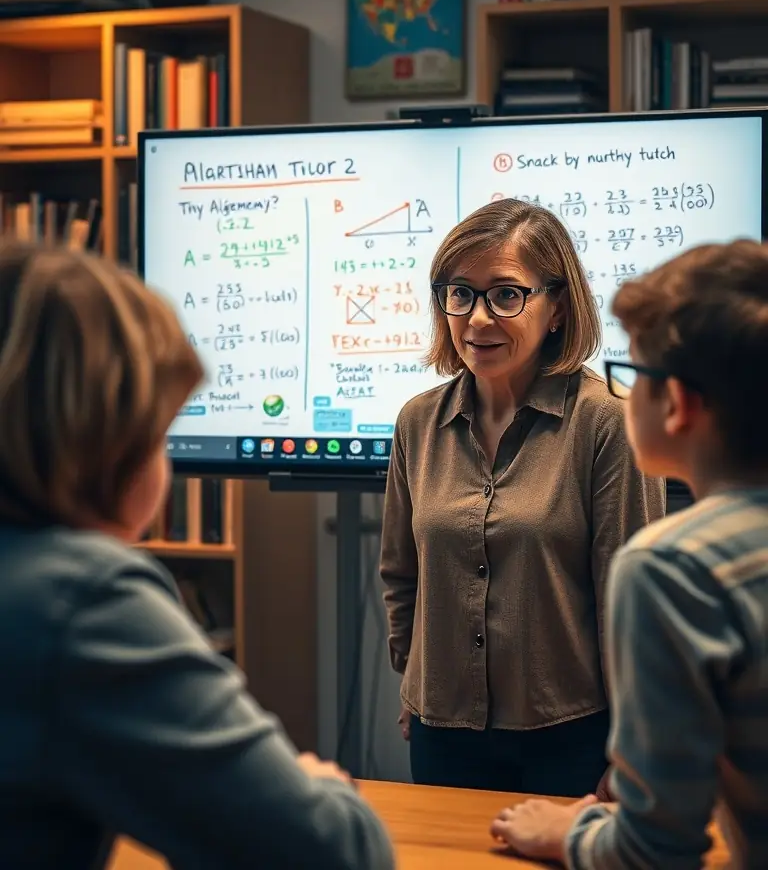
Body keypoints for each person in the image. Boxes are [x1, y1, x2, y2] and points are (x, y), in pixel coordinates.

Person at [0, 242, 394, 870]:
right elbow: (337, 853)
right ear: (104, 442)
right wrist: (322, 788)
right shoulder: (82, 600)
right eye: (159, 433)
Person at [490, 239, 768, 869]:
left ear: (677, 405)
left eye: (634, 373)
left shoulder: (674, 568)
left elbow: (655, 851)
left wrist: (563, 833)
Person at [380, 198, 665, 798]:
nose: (477, 319)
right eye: (460, 294)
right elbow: (401, 574)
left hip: (569, 735)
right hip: (443, 731)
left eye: (506, 295)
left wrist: (635, 741)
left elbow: (631, 602)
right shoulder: (417, 422)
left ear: (557, 306)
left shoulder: (608, 422)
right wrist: (415, 681)